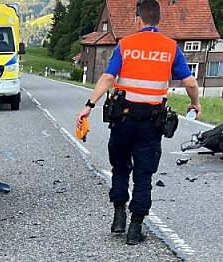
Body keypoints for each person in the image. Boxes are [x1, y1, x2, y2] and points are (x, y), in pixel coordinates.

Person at [76, 0, 201, 245]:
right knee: (144, 174)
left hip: (122, 118)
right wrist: (195, 103)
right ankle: (136, 227)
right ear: (158, 20)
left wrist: (89, 106)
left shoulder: (126, 45)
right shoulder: (170, 48)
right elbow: (190, 83)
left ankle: (119, 216)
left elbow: (108, 77)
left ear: (138, 19)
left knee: (120, 167)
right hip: (151, 123)